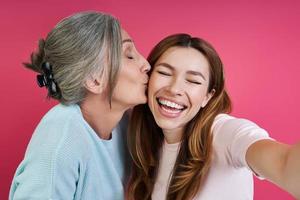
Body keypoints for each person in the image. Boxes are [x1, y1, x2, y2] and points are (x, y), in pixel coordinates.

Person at [127, 33, 300, 200]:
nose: (174, 89)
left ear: (207, 97)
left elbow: (284, 165)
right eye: (164, 73)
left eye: (193, 81)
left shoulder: (223, 133)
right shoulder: (147, 144)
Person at [9, 11, 150, 200]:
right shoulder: (61, 141)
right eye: (129, 56)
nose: (147, 64)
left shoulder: (124, 124)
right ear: (94, 79)